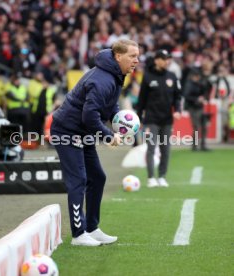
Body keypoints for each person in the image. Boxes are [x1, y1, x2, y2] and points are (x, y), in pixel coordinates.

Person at [51, 39, 139, 246]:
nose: (137, 60)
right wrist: (109, 135)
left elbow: (109, 104)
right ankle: (78, 234)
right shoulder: (103, 79)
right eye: (132, 56)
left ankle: (92, 227)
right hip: (67, 131)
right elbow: (89, 116)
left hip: (82, 131)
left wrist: (120, 118)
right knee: (78, 180)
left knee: (97, 177)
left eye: (137, 56)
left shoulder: (115, 74)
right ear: (118, 56)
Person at [137, 49, 182, 188]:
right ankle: (151, 178)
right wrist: (139, 118)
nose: (167, 61)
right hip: (151, 119)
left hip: (167, 119)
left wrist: (178, 110)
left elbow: (177, 97)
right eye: (164, 58)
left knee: (165, 149)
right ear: (156, 60)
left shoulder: (172, 76)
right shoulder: (148, 76)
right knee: (151, 148)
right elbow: (141, 99)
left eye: (168, 58)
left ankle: (162, 176)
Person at [183, 68, 211, 151]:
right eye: (196, 76)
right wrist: (196, 99)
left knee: (204, 126)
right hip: (193, 107)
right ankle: (195, 146)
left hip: (200, 107)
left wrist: (203, 98)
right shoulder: (189, 84)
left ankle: (203, 145)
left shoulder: (200, 83)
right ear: (193, 76)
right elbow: (186, 96)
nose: (197, 78)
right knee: (196, 127)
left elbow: (205, 92)